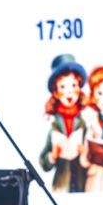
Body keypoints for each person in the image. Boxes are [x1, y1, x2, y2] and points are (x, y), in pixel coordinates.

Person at [38, 55, 87, 193]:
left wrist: (85, 153)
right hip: (61, 185)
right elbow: (43, 162)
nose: (69, 91)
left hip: (83, 184)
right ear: (56, 92)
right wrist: (53, 156)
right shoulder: (53, 125)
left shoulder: (83, 123)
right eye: (63, 87)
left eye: (73, 85)